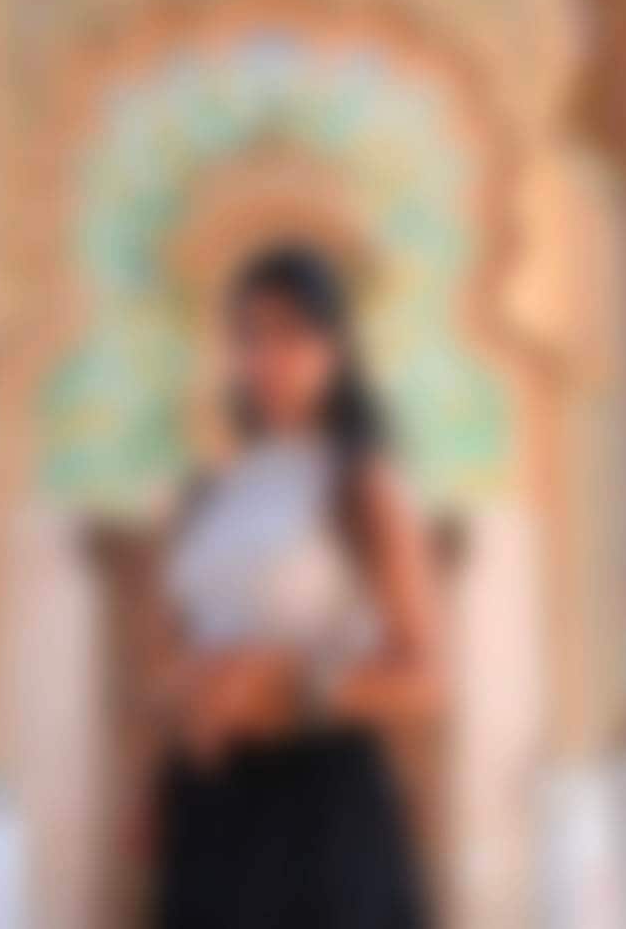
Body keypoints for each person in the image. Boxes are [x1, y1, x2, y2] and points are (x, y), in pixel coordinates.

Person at [148, 244, 442, 929]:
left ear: (334, 348)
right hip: (212, 807)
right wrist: (187, 699)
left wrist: (289, 688)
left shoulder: (359, 484)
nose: (267, 358)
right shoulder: (213, 490)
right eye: (249, 335)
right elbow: (177, 648)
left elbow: (426, 682)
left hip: (318, 807)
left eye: (290, 333)